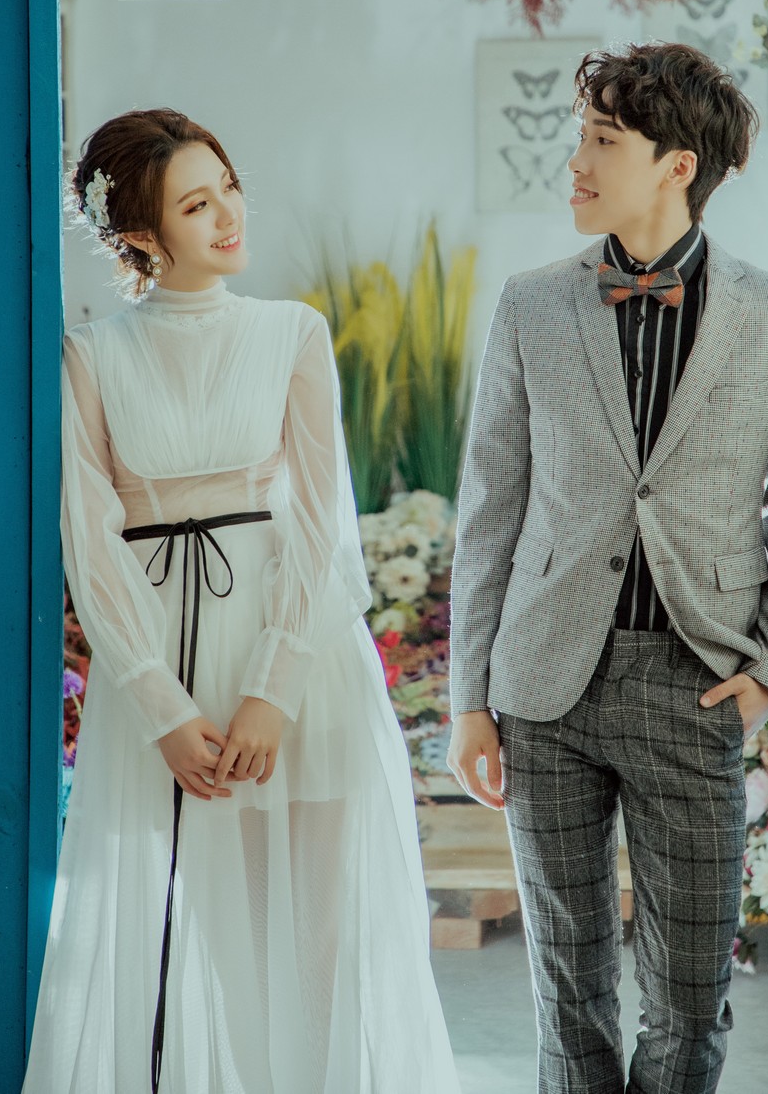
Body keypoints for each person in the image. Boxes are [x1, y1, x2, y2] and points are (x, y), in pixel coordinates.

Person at [23, 108, 460, 1094]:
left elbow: (323, 524)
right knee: (212, 938)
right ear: (141, 233)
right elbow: (90, 541)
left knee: (318, 942)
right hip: (166, 667)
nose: (228, 215)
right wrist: (161, 707)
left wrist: (274, 688)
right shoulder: (90, 356)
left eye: (228, 188)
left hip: (296, 659)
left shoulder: (291, 332)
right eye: (195, 204)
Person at [447, 42, 768, 1094]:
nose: (574, 161)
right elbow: (490, 509)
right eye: (580, 137)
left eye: (602, 141)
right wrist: (469, 699)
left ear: (676, 165)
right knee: (567, 999)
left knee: (690, 1004)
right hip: (544, 686)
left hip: (695, 681)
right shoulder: (530, 304)